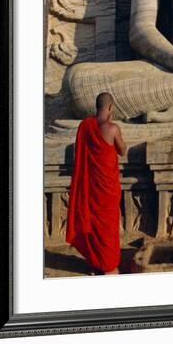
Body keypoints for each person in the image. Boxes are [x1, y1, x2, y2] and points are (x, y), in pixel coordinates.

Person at [65, 92, 127, 274]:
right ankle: (108, 267)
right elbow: (122, 150)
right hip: (107, 189)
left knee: (94, 225)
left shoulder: (85, 126)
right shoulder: (113, 128)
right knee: (107, 227)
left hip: (91, 186)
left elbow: (81, 154)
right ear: (110, 108)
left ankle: (96, 262)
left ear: (96, 107)